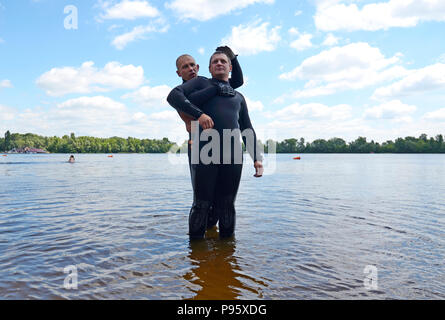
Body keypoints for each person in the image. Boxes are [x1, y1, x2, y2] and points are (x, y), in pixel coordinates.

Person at [167, 51, 263, 240]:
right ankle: (196, 256)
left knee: (227, 205)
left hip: (233, 153)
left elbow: (247, 129)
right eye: (215, 61)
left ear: (230, 67)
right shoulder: (201, 85)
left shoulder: (238, 97)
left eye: (223, 61)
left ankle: (226, 256)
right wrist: (200, 115)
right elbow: (173, 97)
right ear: (209, 69)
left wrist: (257, 160)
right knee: (201, 203)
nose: (219, 63)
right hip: (205, 151)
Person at [174, 47, 244, 231]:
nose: (190, 69)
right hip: (200, 147)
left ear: (198, 67)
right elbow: (177, 100)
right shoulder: (187, 91)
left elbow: (235, 83)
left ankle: (211, 233)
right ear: (178, 72)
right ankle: (200, 241)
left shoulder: (204, 83)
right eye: (185, 67)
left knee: (222, 199)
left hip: (224, 148)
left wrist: (233, 59)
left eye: (192, 65)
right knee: (203, 198)